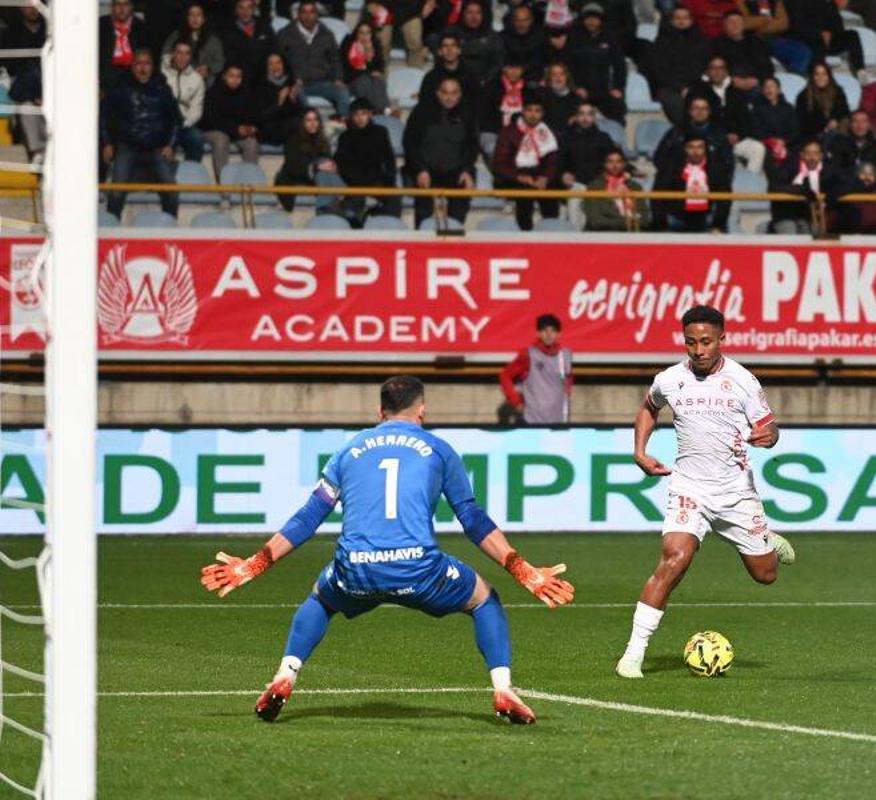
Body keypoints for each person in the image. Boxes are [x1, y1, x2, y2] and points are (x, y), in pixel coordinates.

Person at [201, 376, 575, 724]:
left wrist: (257, 562)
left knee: (320, 600)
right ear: (422, 410)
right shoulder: (439, 450)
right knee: (485, 600)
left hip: (356, 571)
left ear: (380, 413)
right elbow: (472, 519)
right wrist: (520, 567)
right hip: (420, 571)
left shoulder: (348, 451)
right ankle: (503, 688)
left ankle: (286, 674)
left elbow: (310, 515)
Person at [615, 305, 795, 679]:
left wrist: (769, 437)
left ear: (722, 339)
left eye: (706, 342)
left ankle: (767, 540)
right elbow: (649, 408)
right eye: (691, 342)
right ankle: (633, 654)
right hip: (689, 487)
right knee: (674, 558)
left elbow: (769, 427)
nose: (698, 350)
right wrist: (640, 451)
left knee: (766, 575)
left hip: (735, 493)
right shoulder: (669, 379)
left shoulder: (743, 381)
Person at [101, 49, 181, 220]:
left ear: (152, 66)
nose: (142, 68)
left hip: (156, 147)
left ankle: (171, 229)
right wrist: (107, 142)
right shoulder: (121, 88)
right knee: (116, 193)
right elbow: (104, 114)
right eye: (138, 64)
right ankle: (112, 230)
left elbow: (176, 119)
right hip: (127, 146)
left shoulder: (162, 88)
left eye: (147, 64)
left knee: (172, 192)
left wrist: (171, 145)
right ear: (132, 66)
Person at [402, 77, 479, 228]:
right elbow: (410, 143)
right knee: (423, 212)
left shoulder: (468, 114)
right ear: (438, 93)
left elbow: (472, 145)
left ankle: (455, 238)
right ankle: (421, 239)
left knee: (458, 211)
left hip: (456, 171)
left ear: (460, 94)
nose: (449, 97)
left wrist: (466, 170)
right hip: (426, 170)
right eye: (445, 93)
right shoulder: (421, 112)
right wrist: (420, 169)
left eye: (453, 93)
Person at [493, 93, 562, 230]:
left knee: (551, 192)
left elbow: (553, 160)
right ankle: (525, 236)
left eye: (537, 111)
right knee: (524, 195)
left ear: (542, 113)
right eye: (529, 110)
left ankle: (551, 234)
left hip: (540, 175)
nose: (533, 115)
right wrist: (519, 177)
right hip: (515, 176)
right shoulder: (509, 132)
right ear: (523, 111)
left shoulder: (547, 132)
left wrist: (545, 177)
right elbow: (499, 164)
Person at [279, 1, 352, 117]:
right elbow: (279, 60)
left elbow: (335, 59)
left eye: (312, 12)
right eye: (304, 12)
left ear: (317, 14)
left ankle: (341, 124)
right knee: (299, 99)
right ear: (298, 14)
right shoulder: (285, 34)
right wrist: (290, 81)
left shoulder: (327, 35)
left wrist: (338, 78)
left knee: (342, 92)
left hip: (322, 82)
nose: (308, 16)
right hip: (297, 83)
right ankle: (308, 126)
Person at [334, 97, 401, 224]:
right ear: (351, 116)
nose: (360, 118)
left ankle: (392, 230)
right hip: (354, 186)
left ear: (370, 114)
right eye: (356, 114)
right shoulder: (345, 137)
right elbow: (342, 164)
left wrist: (389, 185)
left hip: (377, 183)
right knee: (353, 209)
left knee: (394, 197)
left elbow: (389, 160)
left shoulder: (380, 132)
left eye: (363, 114)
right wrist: (357, 185)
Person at [498, 315, 574, 423]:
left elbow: (568, 379)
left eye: (553, 331)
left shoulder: (565, 355)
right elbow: (505, 375)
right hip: (533, 420)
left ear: (559, 334)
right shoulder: (528, 354)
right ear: (538, 333)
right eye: (544, 330)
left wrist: (568, 392)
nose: (549, 334)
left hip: (558, 420)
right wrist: (516, 402)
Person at [646, 6, 711, 125]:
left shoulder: (701, 41)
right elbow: (658, 70)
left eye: (685, 18)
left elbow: (701, 66)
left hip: (695, 83)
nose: (681, 21)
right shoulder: (661, 42)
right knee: (673, 101)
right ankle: (687, 132)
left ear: (691, 20)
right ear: (671, 21)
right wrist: (680, 87)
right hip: (669, 87)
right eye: (677, 18)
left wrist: (688, 86)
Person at [658, 133, 735, 232]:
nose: (695, 152)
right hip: (676, 218)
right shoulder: (672, 167)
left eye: (700, 147)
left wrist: (718, 226)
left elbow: (725, 198)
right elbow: (658, 195)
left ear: (705, 149)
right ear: (685, 149)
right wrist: (661, 225)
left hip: (706, 219)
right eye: (691, 147)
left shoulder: (716, 168)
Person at [566, 4, 627, 124]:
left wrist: (617, 88)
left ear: (601, 20)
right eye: (588, 18)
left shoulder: (610, 38)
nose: (591, 21)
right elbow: (568, 66)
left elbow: (620, 66)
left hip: (604, 90)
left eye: (595, 18)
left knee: (618, 106)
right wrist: (575, 87)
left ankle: (615, 140)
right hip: (581, 90)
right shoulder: (574, 38)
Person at [201, 64, 262, 184]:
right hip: (213, 130)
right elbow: (212, 120)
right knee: (221, 138)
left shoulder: (246, 92)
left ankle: (248, 184)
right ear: (224, 77)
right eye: (232, 76)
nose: (235, 79)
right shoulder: (214, 92)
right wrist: (236, 129)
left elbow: (253, 115)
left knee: (252, 142)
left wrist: (251, 127)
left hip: (235, 131)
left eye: (239, 76)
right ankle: (224, 186)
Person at [1, 3, 46, 164]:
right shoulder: (11, 34)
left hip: (49, 86)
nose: (33, 10)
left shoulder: (51, 31)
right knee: (27, 107)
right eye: (28, 6)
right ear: (20, 9)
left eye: (35, 5)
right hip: (25, 89)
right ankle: (38, 151)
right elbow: (12, 67)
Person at [275, 108, 341, 212]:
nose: (313, 123)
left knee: (324, 166)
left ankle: (327, 205)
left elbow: (327, 160)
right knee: (321, 166)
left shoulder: (323, 140)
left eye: (315, 120)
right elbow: (293, 166)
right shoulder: (293, 139)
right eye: (308, 120)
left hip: (320, 178)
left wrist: (332, 166)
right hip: (295, 178)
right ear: (302, 122)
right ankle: (335, 200)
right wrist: (316, 167)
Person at [785, 0, 866, 84]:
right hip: (810, 40)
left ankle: (860, 71)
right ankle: (821, 80)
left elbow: (839, 26)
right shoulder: (796, 3)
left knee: (852, 35)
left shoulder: (828, 4)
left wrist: (830, 33)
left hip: (829, 40)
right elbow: (796, 27)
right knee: (816, 43)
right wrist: (819, 34)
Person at [766, 137, 830, 233]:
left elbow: (847, 184)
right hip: (785, 214)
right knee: (790, 231)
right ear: (802, 155)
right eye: (808, 153)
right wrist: (802, 190)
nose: (812, 158)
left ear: (821, 155)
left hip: (807, 217)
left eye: (816, 154)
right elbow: (774, 187)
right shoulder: (789, 167)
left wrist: (831, 196)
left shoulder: (828, 170)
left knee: (812, 232)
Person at [162, 40, 207, 163]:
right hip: (162, 124)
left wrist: (183, 124)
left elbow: (196, 110)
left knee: (197, 137)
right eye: (179, 53)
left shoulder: (197, 79)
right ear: (172, 54)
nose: (183, 57)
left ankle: (191, 174)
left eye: (187, 54)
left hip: (183, 124)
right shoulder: (161, 74)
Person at [584, 148, 651, 230]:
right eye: (610, 162)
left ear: (624, 164)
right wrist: (626, 222)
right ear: (604, 164)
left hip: (631, 235)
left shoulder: (635, 186)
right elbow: (595, 220)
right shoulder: (595, 187)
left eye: (618, 161)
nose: (615, 165)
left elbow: (645, 218)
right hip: (603, 235)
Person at [162, 3, 224, 87]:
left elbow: (220, 62)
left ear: (203, 19)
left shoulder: (213, 40)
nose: (195, 19)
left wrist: (208, 69)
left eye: (199, 15)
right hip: (180, 83)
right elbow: (165, 56)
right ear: (187, 18)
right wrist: (182, 67)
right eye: (191, 15)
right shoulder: (176, 36)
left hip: (206, 85)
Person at [559, 103, 618, 188]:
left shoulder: (603, 137)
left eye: (589, 114)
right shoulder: (566, 138)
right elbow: (560, 162)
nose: (585, 118)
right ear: (576, 117)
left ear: (594, 118)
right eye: (581, 114)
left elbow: (615, 157)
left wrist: (632, 170)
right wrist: (563, 174)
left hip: (600, 183)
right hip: (574, 184)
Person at [221, 0, 279, 80]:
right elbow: (230, 58)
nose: (245, 12)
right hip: (242, 77)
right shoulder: (228, 30)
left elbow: (275, 49)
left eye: (249, 7)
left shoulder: (264, 25)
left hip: (267, 75)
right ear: (236, 10)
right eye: (241, 8)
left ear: (254, 9)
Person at [453, 0, 505, 89]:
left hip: (486, 83)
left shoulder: (493, 36)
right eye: (470, 12)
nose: (474, 17)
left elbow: (497, 63)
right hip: (456, 84)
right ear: (463, 14)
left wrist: (484, 80)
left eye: (478, 13)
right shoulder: (453, 34)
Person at [418, 32, 476, 112]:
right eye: (445, 46)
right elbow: (425, 106)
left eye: (453, 45)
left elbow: (475, 104)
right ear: (439, 51)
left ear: (459, 50)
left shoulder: (470, 77)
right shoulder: (431, 78)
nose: (449, 50)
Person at [794, 61, 850, 142]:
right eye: (817, 74)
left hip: (836, 131)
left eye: (824, 74)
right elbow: (803, 122)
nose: (821, 77)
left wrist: (835, 120)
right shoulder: (803, 96)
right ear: (812, 76)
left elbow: (844, 110)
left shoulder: (838, 91)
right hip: (814, 135)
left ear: (829, 76)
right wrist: (825, 127)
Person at [257, 53, 305, 146]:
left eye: (278, 63)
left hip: (288, 130)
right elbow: (261, 117)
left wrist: (293, 100)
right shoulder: (261, 86)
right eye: (271, 64)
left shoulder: (290, 83)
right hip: (270, 130)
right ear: (266, 67)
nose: (275, 66)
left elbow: (298, 113)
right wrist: (279, 102)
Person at [751, 76, 799, 170]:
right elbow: (755, 130)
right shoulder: (757, 108)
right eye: (766, 87)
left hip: (787, 144)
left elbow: (795, 130)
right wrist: (772, 141)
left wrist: (784, 141)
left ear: (779, 90)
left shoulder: (788, 108)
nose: (769, 90)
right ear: (762, 91)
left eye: (772, 86)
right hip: (766, 146)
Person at [100, 0, 150, 91]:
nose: (122, 8)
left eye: (126, 4)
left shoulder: (142, 27)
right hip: (108, 74)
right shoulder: (101, 25)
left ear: (131, 7)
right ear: (112, 7)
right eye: (118, 4)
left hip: (134, 72)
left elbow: (147, 56)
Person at [341, 21, 391, 112]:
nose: (365, 36)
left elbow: (380, 67)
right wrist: (368, 72)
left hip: (370, 79)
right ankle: (367, 111)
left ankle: (383, 110)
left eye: (368, 33)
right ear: (356, 33)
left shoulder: (375, 44)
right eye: (361, 33)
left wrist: (368, 51)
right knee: (364, 80)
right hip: (352, 79)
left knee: (378, 81)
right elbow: (345, 68)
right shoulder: (348, 43)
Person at [713, 10, 772, 82]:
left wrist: (757, 80)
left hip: (757, 82)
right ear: (724, 25)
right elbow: (715, 69)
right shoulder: (716, 44)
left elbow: (767, 66)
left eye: (738, 21)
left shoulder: (756, 42)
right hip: (729, 84)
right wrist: (733, 81)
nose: (735, 24)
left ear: (743, 25)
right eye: (730, 22)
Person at [828, 109, 876, 180]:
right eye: (856, 121)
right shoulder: (839, 143)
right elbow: (834, 169)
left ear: (868, 125)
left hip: (871, 185)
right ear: (850, 124)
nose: (860, 126)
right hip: (846, 185)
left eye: (863, 122)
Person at [501, 4, 547, 79]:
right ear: (513, 21)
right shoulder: (503, 37)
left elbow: (540, 59)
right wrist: (508, 69)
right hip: (508, 76)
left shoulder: (540, 36)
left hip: (534, 78)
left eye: (525, 20)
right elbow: (500, 58)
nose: (521, 24)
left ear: (531, 20)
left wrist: (522, 69)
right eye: (518, 20)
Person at [540, 61, 582, 134]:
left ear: (567, 77)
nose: (558, 77)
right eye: (554, 74)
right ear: (549, 78)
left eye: (562, 74)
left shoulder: (576, 98)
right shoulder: (542, 97)